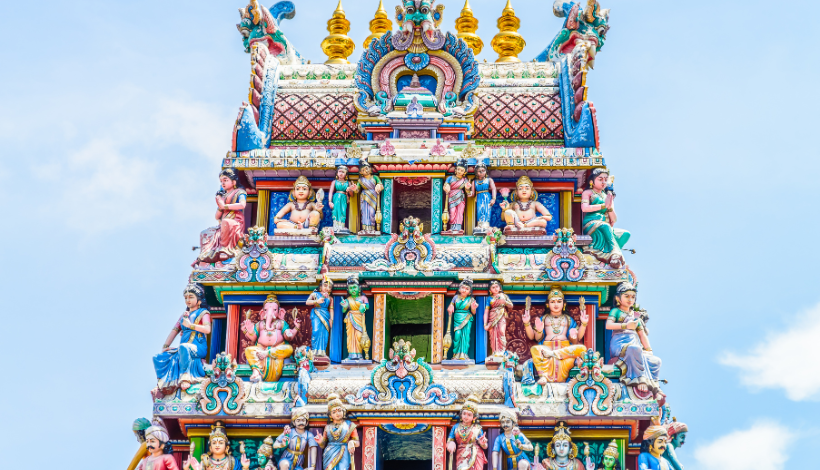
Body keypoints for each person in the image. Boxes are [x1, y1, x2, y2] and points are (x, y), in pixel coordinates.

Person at [153, 283, 212, 394]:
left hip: (198, 346)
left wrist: (190, 326)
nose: (188, 300)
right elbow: (174, 331)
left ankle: (185, 377)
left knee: (184, 347)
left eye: (191, 297)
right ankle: (165, 382)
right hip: (183, 347)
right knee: (158, 357)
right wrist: (165, 346)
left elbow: (207, 329)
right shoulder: (184, 315)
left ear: (198, 300)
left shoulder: (204, 313)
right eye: (186, 298)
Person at [522, 287, 588, 384]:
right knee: (535, 349)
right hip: (547, 350)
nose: (556, 304)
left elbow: (577, 339)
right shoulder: (544, 318)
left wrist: (583, 324)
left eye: (559, 301)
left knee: (582, 348)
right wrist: (528, 324)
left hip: (564, 352)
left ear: (564, 304)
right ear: (548, 304)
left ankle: (555, 355)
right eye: (552, 302)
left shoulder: (568, 319)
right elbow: (534, 337)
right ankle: (543, 376)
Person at [605, 282, 661, 395]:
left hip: (634, 343)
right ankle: (639, 379)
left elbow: (641, 334)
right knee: (634, 349)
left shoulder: (635, 316)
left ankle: (653, 384)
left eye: (633, 297)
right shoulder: (616, 311)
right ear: (618, 298)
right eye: (627, 296)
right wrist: (626, 326)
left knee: (655, 361)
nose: (630, 299)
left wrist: (649, 349)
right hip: (620, 343)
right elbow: (608, 325)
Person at [241, 294, 301, 382]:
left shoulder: (282, 323)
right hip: (261, 349)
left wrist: (295, 328)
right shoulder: (260, 324)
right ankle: (256, 372)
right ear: (263, 312)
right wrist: (247, 331)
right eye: (266, 310)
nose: (270, 312)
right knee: (248, 350)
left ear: (280, 313)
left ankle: (267, 353)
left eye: (274, 310)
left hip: (277, 349)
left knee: (289, 349)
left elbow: (288, 337)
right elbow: (254, 338)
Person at [581, 168, 630, 268]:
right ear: (592, 182)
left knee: (625, 234)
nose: (603, 182)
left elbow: (614, 219)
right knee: (605, 226)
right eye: (600, 179)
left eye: (605, 179)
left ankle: (607, 255)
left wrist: (609, 199)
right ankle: (615, 255)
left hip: (604, 224)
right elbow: (584, 208)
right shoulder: (588, 193)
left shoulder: (606, 195)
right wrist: (603, 206)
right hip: (591, 222)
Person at [197, 169, 247, 263]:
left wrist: (225, 206)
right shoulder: (223, 196)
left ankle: (225, 249)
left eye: (225, 180)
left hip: (235, 220)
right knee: (205, 232)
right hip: (224, 222)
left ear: (233, 182)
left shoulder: (239, 192)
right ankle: (207, 254)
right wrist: (220, 203)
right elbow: (217, 217)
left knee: (226, 222)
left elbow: (242, 205)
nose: (223, 183)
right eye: (221, 181)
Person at [315, 394, 360, 470]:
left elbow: (357, 443)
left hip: (343, 452)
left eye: (339, 410)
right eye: (334, 412)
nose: (337, 413)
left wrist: (351, 442)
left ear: (344, 411)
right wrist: (320, 441)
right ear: (330, 415)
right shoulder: (328, 427)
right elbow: (323, 445)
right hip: (329, 454)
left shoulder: (350, 425)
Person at [184, 421, 250, 470]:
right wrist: (187, 468)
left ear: (227, 447)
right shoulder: (205, 461)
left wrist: (245, 467)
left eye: (221, 443)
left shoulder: (232, 461)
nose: (217, 445)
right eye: (214, 443)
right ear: (210, 447)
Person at [446, 396, 488, 470]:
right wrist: (451, 443)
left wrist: (483, 443)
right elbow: (450, 439)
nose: (466, 416)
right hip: (461, 454)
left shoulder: (477, 428)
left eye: (469, 415)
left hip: (475, 454)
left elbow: (485, 446)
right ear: (461, 414)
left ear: (474, 418)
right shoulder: (456, 427)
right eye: (464, 413)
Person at [447, 278, 478, 361]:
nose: (464, 290)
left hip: (467, 318)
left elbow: (473, 312)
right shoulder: (455, 297)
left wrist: (474, 308)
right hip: (457, 317)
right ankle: (456, 354)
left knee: (466, 336)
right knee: (457, 335)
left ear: (470, 292)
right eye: (463, 288)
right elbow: (451, 305)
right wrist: (451, 307)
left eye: (467, 289)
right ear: (459, 288)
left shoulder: (471, 300)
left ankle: (464, 354)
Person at [341, 277, 370, 361]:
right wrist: (345, 306)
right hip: (351, 319)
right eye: (350, 288)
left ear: (359, 288)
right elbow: (344, 310)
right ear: (348, 290)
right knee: (350, 337)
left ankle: (360, 355)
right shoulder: (348, 299)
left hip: (360, 318)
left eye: (354, 287)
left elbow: (367, 306)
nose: (353, 289)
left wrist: (363, 305)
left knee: (359, 336)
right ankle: (351, 355)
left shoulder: (363, 298)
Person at [484, 280, 513, 358]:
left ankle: (502, 351)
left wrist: (505, 302)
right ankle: (495, 351)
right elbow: (486, 311)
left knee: (501, 331)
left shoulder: (504, 296)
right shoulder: (489, 298)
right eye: (493, 287)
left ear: (500, 287)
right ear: (490, 290)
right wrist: (485, 323)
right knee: (493, 335)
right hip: (492, 317)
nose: (495, 289)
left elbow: (511, 306)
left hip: (501, 315)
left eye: (497, 286)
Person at [443, 159, 473, 233]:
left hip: (461, 196)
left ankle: (458, 228)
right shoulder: (450, 178)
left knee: (460, 212)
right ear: (455, 170)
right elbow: (445, 185)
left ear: (464, 172)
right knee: (452, 212)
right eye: (458, 169)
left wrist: (467, 188)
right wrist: (446, 187)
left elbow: (468, 192)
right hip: (451, 195)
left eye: (461, 170)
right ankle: (451, 227)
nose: (459, 171)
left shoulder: (465, 180)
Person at [306, 277, 333, 357]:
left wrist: (331, 319)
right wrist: (316, 301)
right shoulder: (315, 294)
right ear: (320, 287)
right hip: (317, 313)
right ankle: (314, 350)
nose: (327, 288)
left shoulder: (330, 298)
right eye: (325, 286)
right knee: (316, 331)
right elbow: (307, 302)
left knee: (324, 333)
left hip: (325, 315)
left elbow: (331, 309)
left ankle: (322, 351)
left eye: (329, 287)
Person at [356, 162, 383, 234]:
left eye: (367, 168)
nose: (366, 170)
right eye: (363, 169)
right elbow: (357, 190)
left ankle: (372, 228)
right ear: (360, 172)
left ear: (371, 169)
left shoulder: (375, 177)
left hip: (373, 196)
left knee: (371, 212)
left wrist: (379, 186)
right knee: (364, 213)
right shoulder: (360, 180)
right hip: (364, 197)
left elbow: (381, 185)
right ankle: (365, 229)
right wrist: (354, 188)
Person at [328, 166, 355, 232]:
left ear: (346, 174)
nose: (341, 173)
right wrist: (330, 201)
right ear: (337, 173)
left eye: (343, 172)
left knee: (343, 212)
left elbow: (352, 195)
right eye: (339, 171)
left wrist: (350, 189)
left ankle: (341, 226)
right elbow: (331, 192)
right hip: (336, 197)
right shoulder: (334, 182)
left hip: (344, 198)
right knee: (336, 211)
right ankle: (336, 226)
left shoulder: (348, 183)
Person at [473, 162, 497, 233]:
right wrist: (468, 190)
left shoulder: (489, 180)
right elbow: (472, 193)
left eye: (483, 171)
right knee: (480, 210)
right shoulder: (474, 182)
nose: (481, 172)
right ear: (476, 173)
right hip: (479, 197)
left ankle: (486, 224)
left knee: (487, 210)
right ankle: (480, 225)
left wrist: (493, 198)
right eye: (479, 171)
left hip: (487, 197)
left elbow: (493, 189)